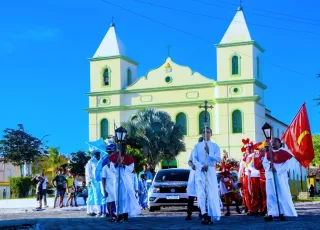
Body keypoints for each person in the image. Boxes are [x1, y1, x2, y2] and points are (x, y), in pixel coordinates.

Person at [263, 138, 297, 221]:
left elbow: (287, 165)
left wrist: (277, 170)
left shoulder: (285, 152)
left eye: (275, 141)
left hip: (280, 176)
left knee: (281, 193)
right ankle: (271, 213)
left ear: (279, 143)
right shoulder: (268, 153)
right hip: (270, 175)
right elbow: (265, 163)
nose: (273, 143)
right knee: (271, 194)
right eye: (271, 142)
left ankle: (283, 212)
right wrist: (269, 167)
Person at [193, 127, 221, 225]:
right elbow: (194, 159)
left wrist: (209, 153)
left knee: (211, 193)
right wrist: (201, 167)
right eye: (204, 132)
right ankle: (204, 213)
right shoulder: (197, 146)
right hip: (201, 171)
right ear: (202, 134)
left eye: (208, 132)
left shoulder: (215, 146)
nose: (206, 133)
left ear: (211, 134)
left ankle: (211, 213)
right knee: (201, 192)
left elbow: (218, 158)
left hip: (211, 170)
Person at [109, 142, 141, 223]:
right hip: (117, 180)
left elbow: (131, 168)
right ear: (119, 148)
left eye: (125, 148)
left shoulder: (129, 157)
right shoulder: (114, 156)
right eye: (122, 148)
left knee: (125, 198)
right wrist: (117, 163)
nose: (124, 149)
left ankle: (125, 215)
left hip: (126, 181)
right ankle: (119, 215)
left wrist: (123, 165)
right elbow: (112, 168)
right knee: (118, 198)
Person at [186, 136, 203, 221]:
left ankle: (202, 213)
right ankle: (189, 214)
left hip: (202, 176)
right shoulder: (193, 151)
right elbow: (189, 161)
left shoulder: (205, 152)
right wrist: (192, 165)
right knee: (191, 197)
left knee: (202, 196)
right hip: (193, 176)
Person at [102, 144, 117, 222]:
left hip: (114, 184)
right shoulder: (104, 166)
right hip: (108, 185)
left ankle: (115, 214)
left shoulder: (115, 165)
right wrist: (104, 189)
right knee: (109, 201)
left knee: (115, 200)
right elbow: (103, 179)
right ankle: (110, 216)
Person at [238, 139, 253, 215]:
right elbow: (241, 169)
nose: (248, 150)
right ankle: (249, 208)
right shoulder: (243, 158)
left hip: (254, 176)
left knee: (253, 192)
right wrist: (239, 180)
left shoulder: (254, 156)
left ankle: (255, 208)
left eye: (250, 148)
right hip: (245, 177)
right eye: (247, 148)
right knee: (246, 193)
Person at [86, 150, 103, 216]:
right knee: (95, 194)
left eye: (99, 154)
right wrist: (89, 180)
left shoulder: (101, 160)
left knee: (101, 194)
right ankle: (97, 210)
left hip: (101, 180)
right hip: (94, 180)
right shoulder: (91, 161)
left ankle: (100, 210)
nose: (98, 155)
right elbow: (88, 172)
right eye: (96, 154)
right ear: (94, 155)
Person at [253, 143, 267, 216]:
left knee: (271, 194)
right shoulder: (259, 157)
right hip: (262, 178)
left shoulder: (270, 155)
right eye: (261, 151)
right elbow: (257, 166)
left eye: (264, 150)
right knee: (263, 195)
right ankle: (264, 209)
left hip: (270, 177)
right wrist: (261, 161)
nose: (262, 152)